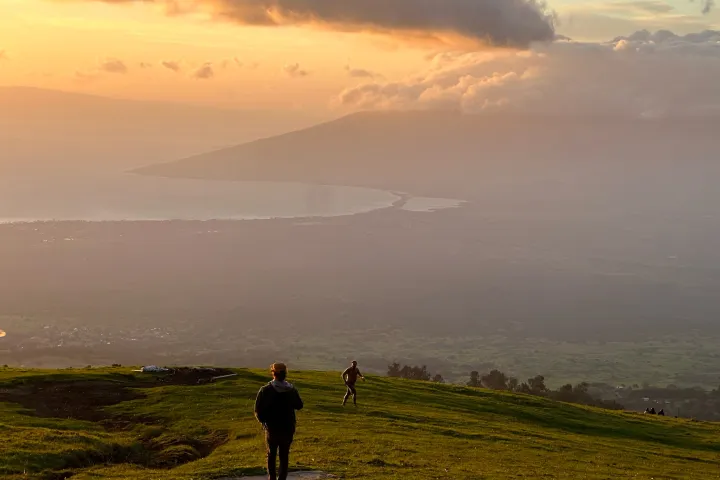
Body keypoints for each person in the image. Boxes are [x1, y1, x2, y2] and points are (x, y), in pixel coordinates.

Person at [254, 363, 303, 480]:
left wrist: (263, 422)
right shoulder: (291, 390)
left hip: (272, 427)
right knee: (284, 455)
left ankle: (272, 477)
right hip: (288, 427)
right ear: (285, 374)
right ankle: (282, 478)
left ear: (273, 373)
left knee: (271, 454)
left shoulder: (265, 390)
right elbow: (299, 405)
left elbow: (258, 410)